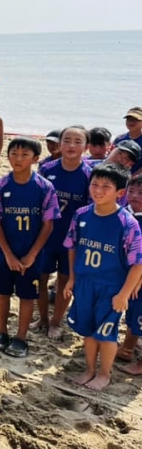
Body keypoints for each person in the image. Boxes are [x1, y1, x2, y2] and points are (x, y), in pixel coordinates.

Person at [63, 163, 142, 390]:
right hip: (85, 283)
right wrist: (72, 278)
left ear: (120, 192)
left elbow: (138, 263)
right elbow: (72, 247)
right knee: (88, 330)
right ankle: (89, 369)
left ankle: (104, 373)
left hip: (111, 288)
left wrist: (124, 294)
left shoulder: (127, 223)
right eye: (94, 184)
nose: (98, 190)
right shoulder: (81, 215)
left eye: (106, 186)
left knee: (106, 334)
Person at [0, 137, 60, 358]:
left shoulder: (44, 187)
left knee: (27, 295)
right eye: (13, 154)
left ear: (35, 159)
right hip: (4, 251)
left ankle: (21, 338)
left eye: (24, 155)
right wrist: (8, 254)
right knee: (2, 292)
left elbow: (48, 224)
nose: (18, 159)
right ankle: (2, 332)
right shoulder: (0, 185)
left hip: (31, 252)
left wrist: (32, 255)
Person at [35, 125, 92, 340]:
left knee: (64, 282)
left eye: (77, 142)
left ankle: (56, 322)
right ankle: (42, 318)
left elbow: (92, 209)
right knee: (40, 279)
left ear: (86, 147)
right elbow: (37, 201)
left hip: (73, 241)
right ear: (60, 144)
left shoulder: (90, 175)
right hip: (46, 236)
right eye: (67, 140)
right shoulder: (47, 169)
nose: (71, 146)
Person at [118, 174, 142, 370]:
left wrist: (139, 280)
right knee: (133, 314)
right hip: (126, 274)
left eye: (141, 193)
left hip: (139, 278)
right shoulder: (123, 214)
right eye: (131, 191)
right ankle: (127, 348)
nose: (134, 196)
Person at [113, 106, 142, 176]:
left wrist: (133, 178)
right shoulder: (119, 139)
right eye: (128, 119)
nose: (131, 122)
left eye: (135, 119)